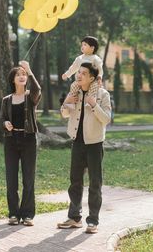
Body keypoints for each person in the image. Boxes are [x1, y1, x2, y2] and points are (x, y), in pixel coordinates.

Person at [57, 62, 111, 234]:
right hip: (77, 143)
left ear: (92, 78)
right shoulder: (75, 92)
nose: (79, 75)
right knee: (75, 181)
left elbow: (106, 119)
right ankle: (74, 217)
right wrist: (66, 102)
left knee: (95, 183)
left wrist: (94, 105)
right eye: (78, 72)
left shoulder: (103, 94)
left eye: (83, 73)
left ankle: (93, 221)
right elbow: (65, 114)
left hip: (94, 144)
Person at [0, 60, 41, 226]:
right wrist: (5, 124)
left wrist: (30, 70)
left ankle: (28, 214)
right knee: (11, 179)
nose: (22, 76)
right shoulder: (6, 100)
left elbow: (38, 89)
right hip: (10, 141)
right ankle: (14, 214)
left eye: (24, 74)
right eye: (18, 75)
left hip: (28, 139)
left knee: (28, 178)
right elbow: (1, 119)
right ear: (13, 79)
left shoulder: (31, 96)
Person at [62, 36, 103, 107]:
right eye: (82, 45)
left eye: (85, 45)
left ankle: (90, 102)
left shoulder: (96, 59)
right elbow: (73, 68)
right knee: (73, 86)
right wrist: (67, 74)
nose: (82, 46)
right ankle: (72, 101)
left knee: (94, 87)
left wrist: (99, 77)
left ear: (92, 48)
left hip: (92, 81)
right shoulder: (79, 58)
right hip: (80, 81)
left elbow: (100, 69)